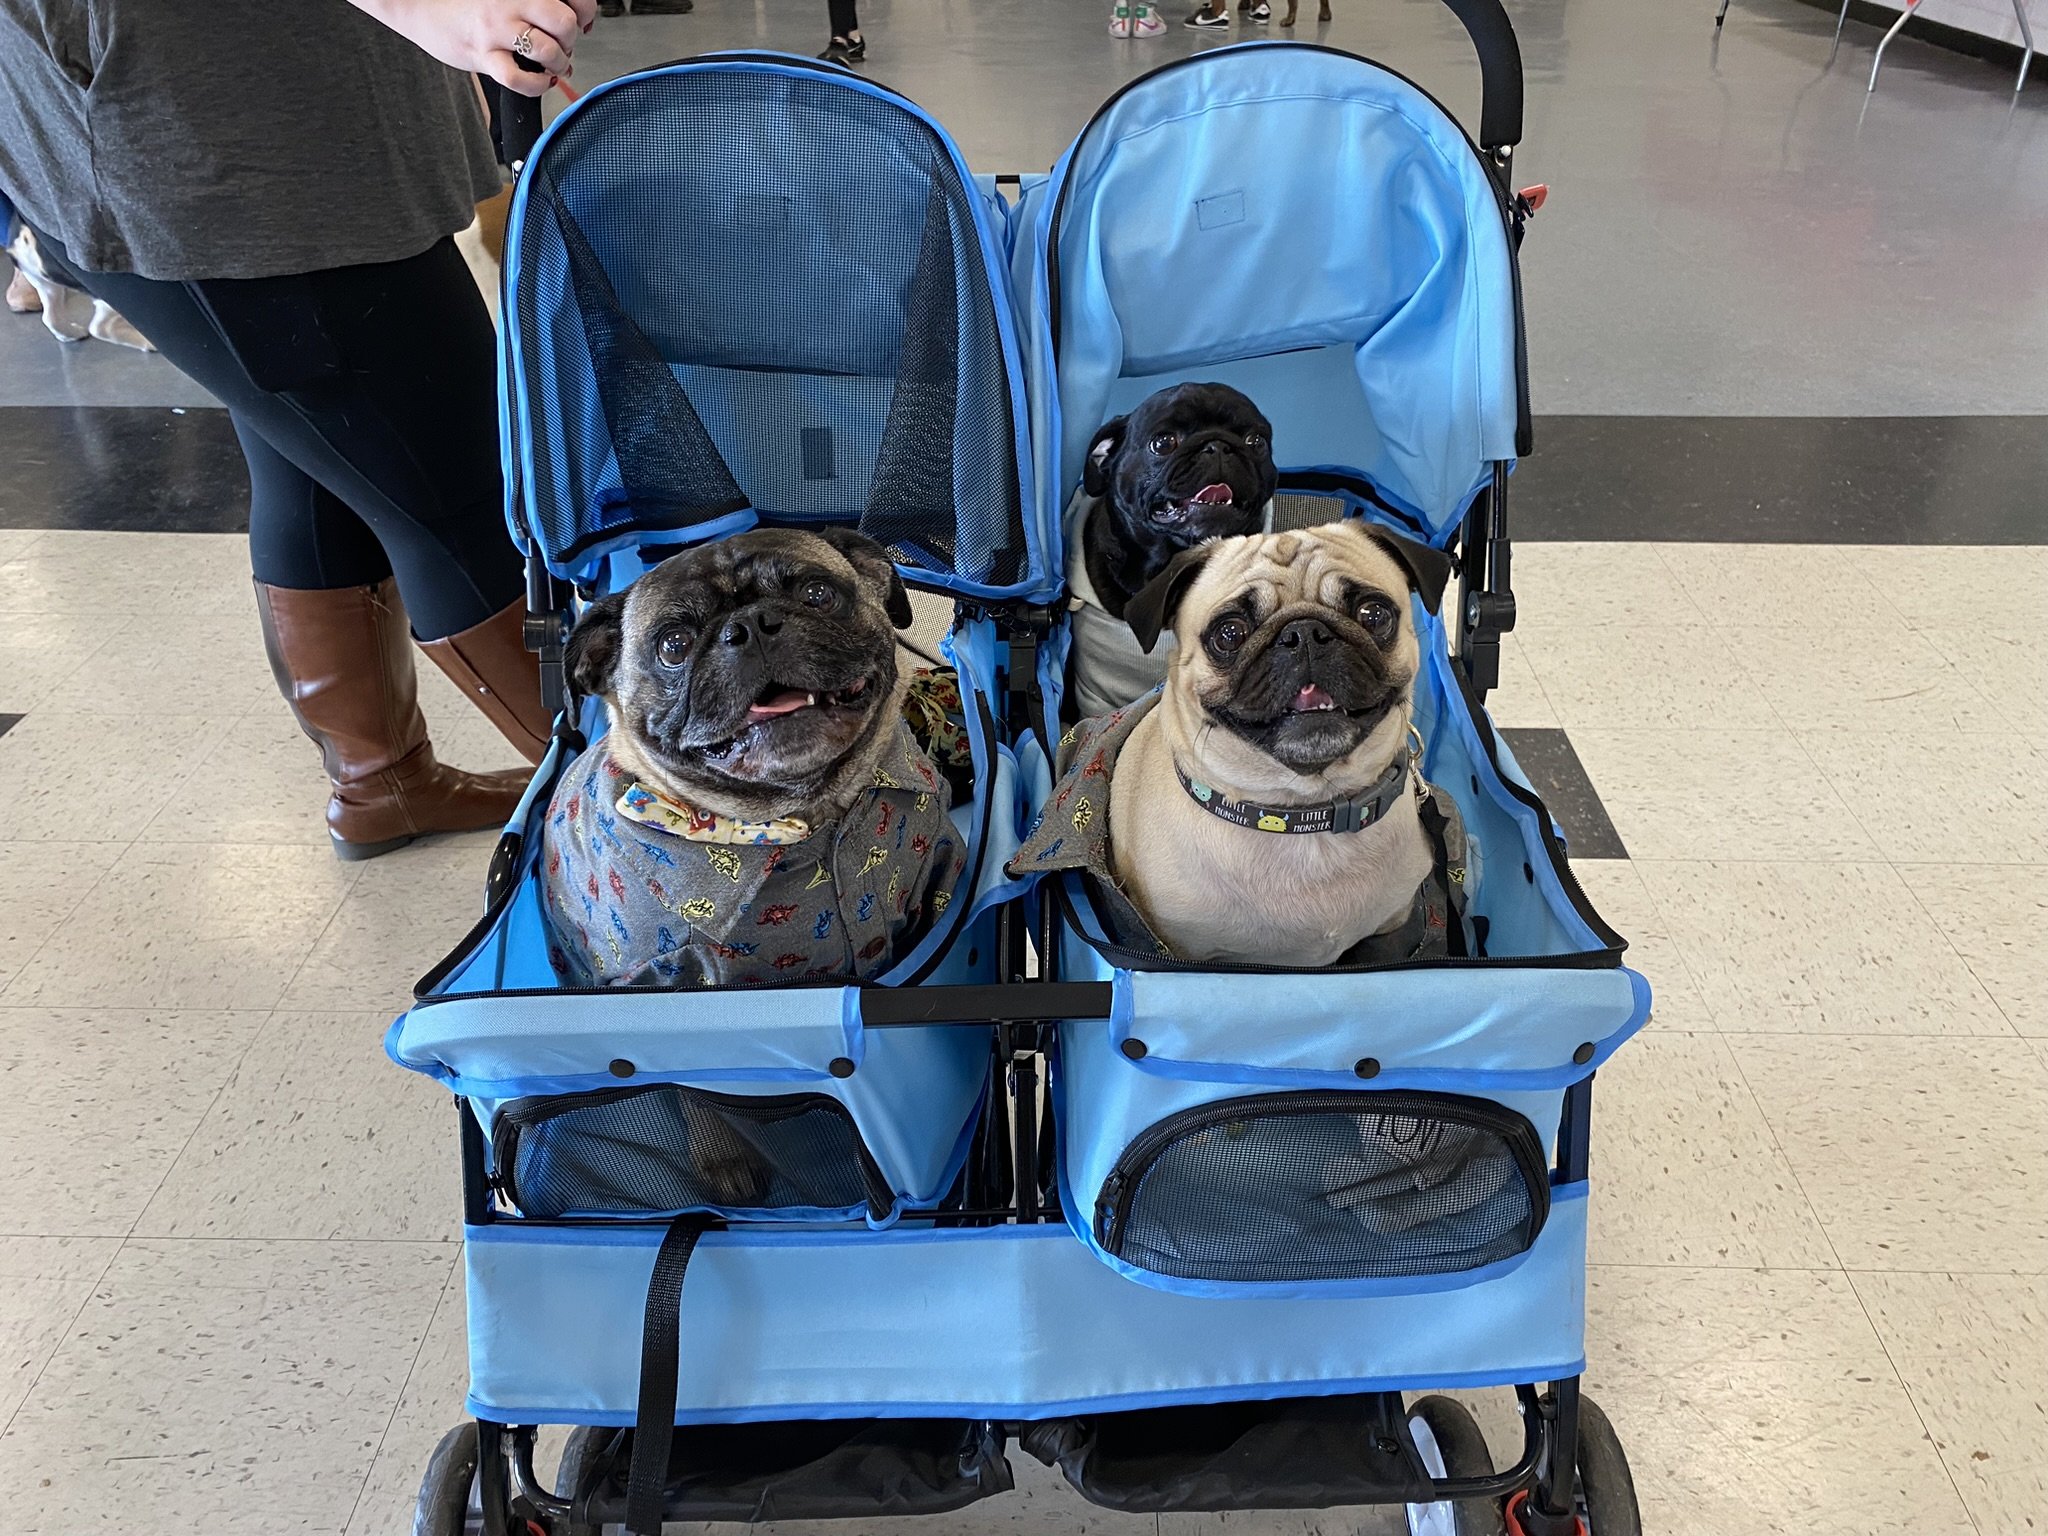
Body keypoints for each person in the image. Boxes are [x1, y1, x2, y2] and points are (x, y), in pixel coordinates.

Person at [0, 0, 598, 859]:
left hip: (289, 102)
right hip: (210, 128)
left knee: (316, 463)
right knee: (462, 497)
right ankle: (666, 820)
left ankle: (382, 782)